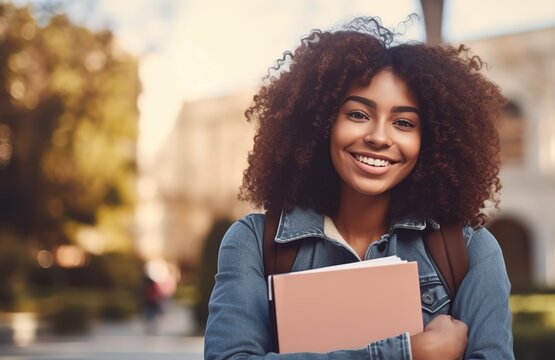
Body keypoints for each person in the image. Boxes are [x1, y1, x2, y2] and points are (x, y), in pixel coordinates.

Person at [205, 17, 513, 360]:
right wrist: (407, 353)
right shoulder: (254, 243)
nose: (379, 137)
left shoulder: (469, 251)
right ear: (321, 123)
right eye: (358, 114)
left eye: (403, 123)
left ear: (432, 140)